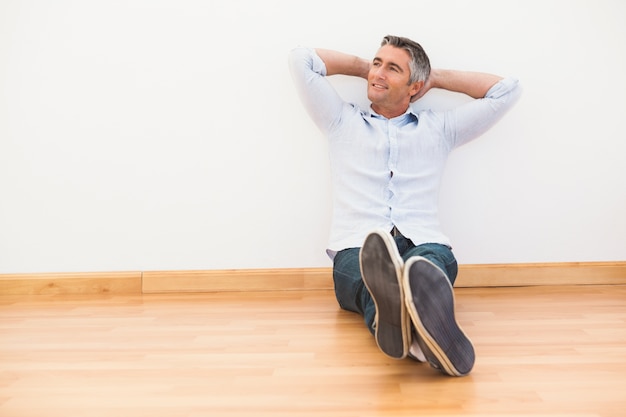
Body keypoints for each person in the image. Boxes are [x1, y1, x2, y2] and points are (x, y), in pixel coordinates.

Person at [288, 35, 521, 376]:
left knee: (424, 266)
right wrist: (365, 67)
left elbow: (507, 90)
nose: (377, 73)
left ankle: (410, 331)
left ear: (415, 87)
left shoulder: (440, 128)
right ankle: (419, 334)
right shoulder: (341, 120)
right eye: (377, 63)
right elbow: (300, 59)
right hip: (358, 246)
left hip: (423, 240)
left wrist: (435, 78)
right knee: (372, 278)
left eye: (392, 68)